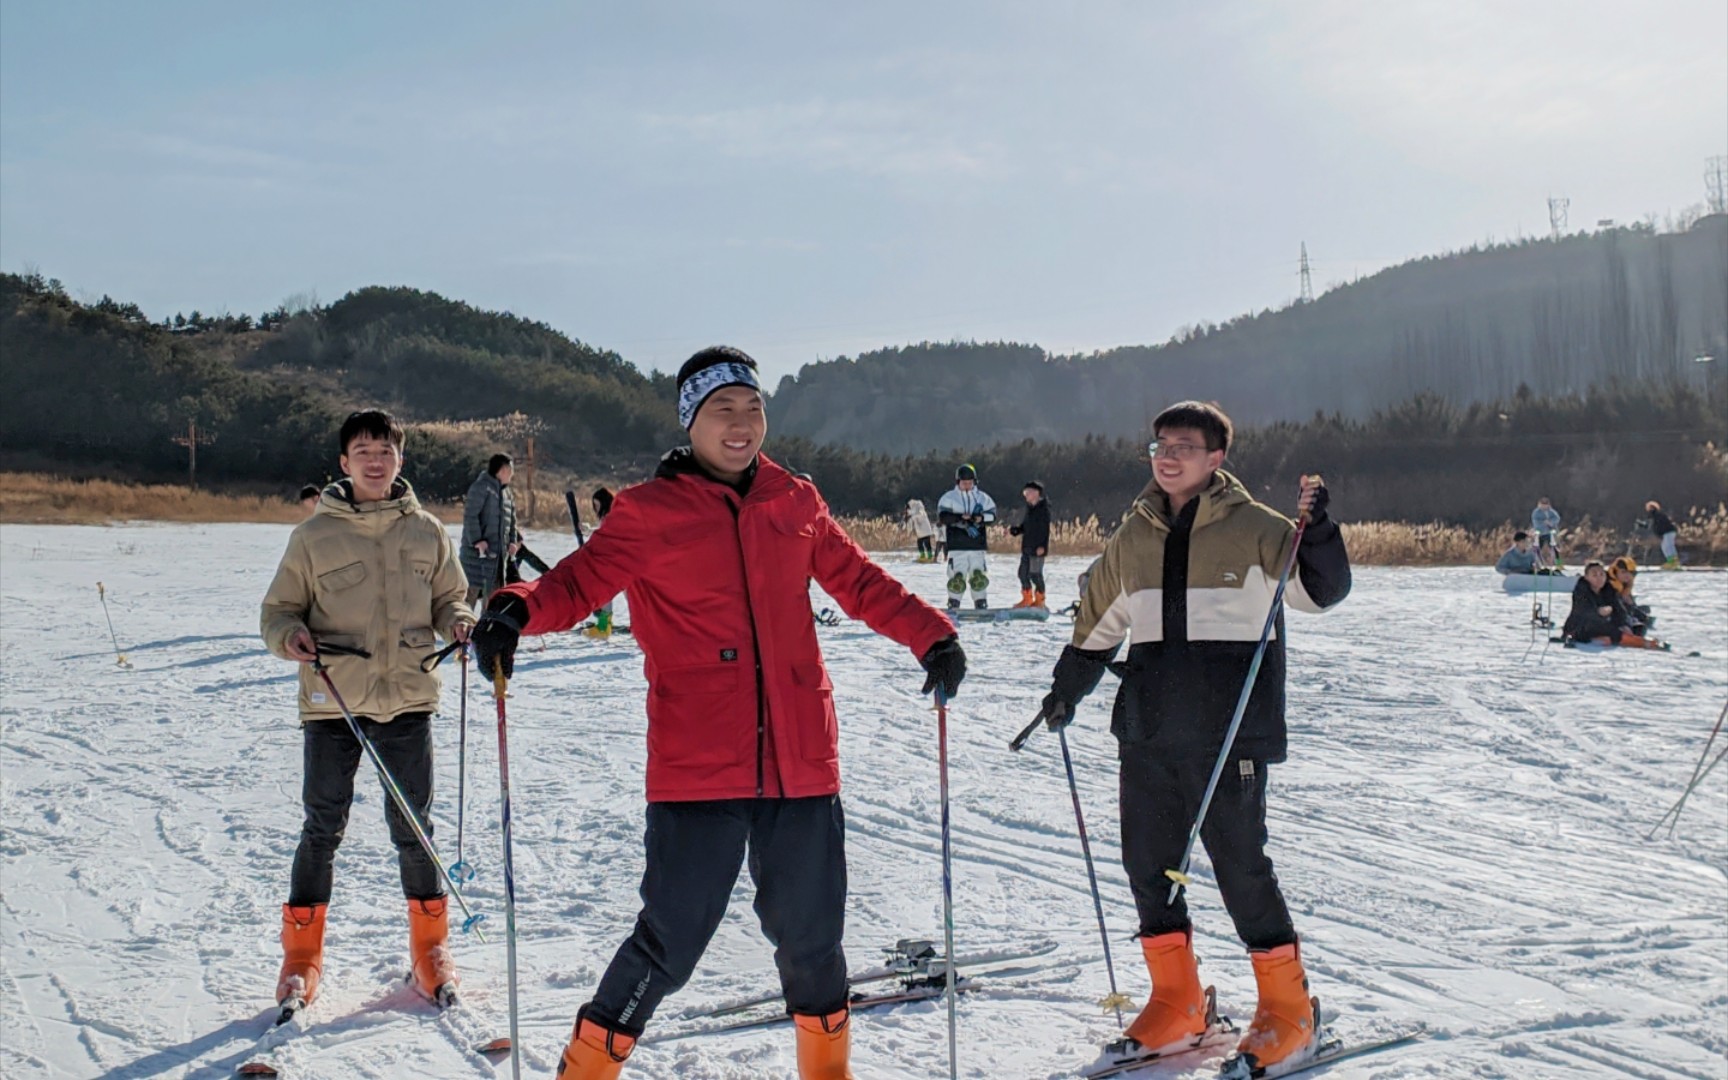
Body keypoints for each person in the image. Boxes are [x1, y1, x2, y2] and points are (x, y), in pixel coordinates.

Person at [467, 346, 965, 1080]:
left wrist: (932, 633)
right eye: (721, 410)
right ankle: (587, 1068)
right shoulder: (648, 511)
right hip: (698, 765)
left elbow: (858, 580)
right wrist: (514, 609)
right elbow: (578, 583)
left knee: (813, 940)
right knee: (671, 939)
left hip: (801, 761)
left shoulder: (796, 501)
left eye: (752, 408)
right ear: (691, 422)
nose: (741, 424)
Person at [1036, 400, 1350, 1076]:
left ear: (1216, 459)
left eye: (1185, 445)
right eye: (1159, 445)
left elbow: (1320, 593)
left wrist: (1318, 531)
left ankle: (1289, 1011)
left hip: (1228, 730)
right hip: (1148, 727)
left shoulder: (1262, 530)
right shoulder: (1134, 534)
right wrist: (1066, 690)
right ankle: (1178, 1002)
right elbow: (1099, 623)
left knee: (1241, 868)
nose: (1168, 455)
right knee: (1148, 866)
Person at [259, 409, 475, 1015]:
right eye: (363, 450)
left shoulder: (428, 531)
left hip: (407, 698)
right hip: (334, 703)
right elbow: (277, 613)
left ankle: (431, 953)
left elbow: (449, 598)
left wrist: (458, 622)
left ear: (400, 461)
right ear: (344, 463)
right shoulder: (312, 537)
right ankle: (301, 959)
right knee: (321, 829)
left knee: (415, 830)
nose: (375, 460)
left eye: (385, 450)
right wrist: (290, 637)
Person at [461, 454, 518, 607]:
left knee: (494, 598)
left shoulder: (507, 494)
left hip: (498, 557)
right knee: (470, 595)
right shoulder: (481, 487)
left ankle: (487, 629)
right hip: (476, 556)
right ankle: (463, 628)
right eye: (510, 469)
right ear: (503, 470)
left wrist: (512, 542)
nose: (512, 473)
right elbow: (470, 516)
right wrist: (477, 540)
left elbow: (512, 522)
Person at [937, 464, 997, 609]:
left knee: (978, 576)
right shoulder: (949, 498)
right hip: (957, 545)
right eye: (964, 483)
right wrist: (959, 518)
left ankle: (980, 601)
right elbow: (943, 517)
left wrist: (980, 518)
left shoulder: (982, 498)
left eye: (970, 483)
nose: (967, 486)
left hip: (977, 546)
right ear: (958, 482)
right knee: (957, 575)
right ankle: (954, 601)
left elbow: (993, 516)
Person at [1008, 481, 1052, 608]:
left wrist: (1042, 546)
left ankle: (1040, 599)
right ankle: (1027, 598)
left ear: (1036, 493)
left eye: (1028, 492)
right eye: (1025, 493)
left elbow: (1045, 530)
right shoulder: (1030, 509)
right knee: (1022, 573)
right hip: (1027, 547)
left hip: (1038, 548)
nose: (1026, 495)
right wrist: (1014, 530)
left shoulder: (1043, 510)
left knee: (1035, 574)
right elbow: (1026, 527)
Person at [1562, 560, 1625, 644]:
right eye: (1594, 575)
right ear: (1586, 577)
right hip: (1580, 626)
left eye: (1602, 574)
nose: (1599, 578)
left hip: (1604, 624)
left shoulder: (1609, 589)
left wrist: (1623, 624)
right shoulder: (1581, 590)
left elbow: (1619, 609)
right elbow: (1582, 610)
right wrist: (1598, 611)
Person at [587, 486, 617, 636]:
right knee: (607, 594)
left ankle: (605, 627)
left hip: (618, 562)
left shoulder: (611, 517)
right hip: (615, 562)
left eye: (597, 505)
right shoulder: (609, 516)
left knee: (607, 593)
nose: (596, 508)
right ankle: (605, 627)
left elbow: (606, 536)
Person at [1607, 556, 1653, 634]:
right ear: (1615, 572)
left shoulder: (1625, 584)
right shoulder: (1608, 583)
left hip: (1621, 608)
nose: (1627, 575)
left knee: (1645, 609)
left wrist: (1631, 604)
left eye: (1631, 572)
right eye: (1623, 572)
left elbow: (1629, 601)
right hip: (1609, 610)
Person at [1646, 501, 1679, 569]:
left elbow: (1658, 525)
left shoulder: (1657, 515)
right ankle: (1671, 562)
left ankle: (1674, 563)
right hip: (1667, 533)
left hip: (1668, 532)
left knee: (1669, 546)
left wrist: (1659, 532)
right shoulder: (1656, 515)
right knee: (1665, 546)